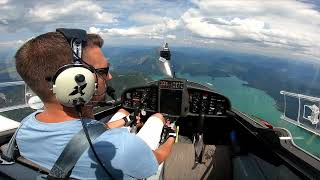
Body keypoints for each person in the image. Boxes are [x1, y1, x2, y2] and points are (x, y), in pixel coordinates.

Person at [14, 30, 175, 179]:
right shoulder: (121, 149)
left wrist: (127, 120)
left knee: (123, 111)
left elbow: (83, 137)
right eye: (104, 71)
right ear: (73, 80)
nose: (110, 77)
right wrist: (171, 137)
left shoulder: (24, 128)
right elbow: (156, 159)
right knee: (157, 117)